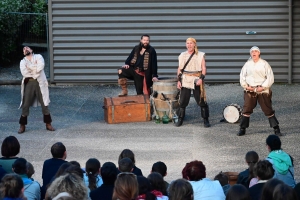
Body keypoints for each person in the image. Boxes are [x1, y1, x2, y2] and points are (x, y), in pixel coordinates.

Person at [238, 46, 282, 136]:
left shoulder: (264, 64)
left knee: (267, 109)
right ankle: (242, 129)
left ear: (259, 53)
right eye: (252, 51)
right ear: (250, 53)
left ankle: (276, 129)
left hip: (262, 90)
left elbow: (270, 77)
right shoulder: (247, 64)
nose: (254, 53)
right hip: (250, 90)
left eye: (256, 51)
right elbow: (242, 77)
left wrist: (263, 87)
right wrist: (246, 86)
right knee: (247, 109)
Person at [18, 46, 55, 134]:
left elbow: (40, 67)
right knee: (25, 104)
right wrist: (34, 68)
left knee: (44, 103)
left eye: (27, 48)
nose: (25, 49)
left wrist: (30, 68)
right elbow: (24, 73)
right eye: (24, 49)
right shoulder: (23, 62)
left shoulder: (39, 57)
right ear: (23, 53)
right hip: (29, 83)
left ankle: (48, 124)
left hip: (40, 82)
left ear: (31, 50)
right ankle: (22, 125)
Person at [176, 37, 210, 127]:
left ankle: (206, 119)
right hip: (185, 78)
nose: (189, 45)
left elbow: (204, 68)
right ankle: (180, 119)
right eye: (187, 43)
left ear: (195, 44)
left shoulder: (200, 55)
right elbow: (179, 68)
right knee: (183, 100)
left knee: (201, 100)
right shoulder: (182, 55)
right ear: (185, 44)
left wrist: (201, 79)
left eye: (191, 43)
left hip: (196, 78)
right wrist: (178, 81)